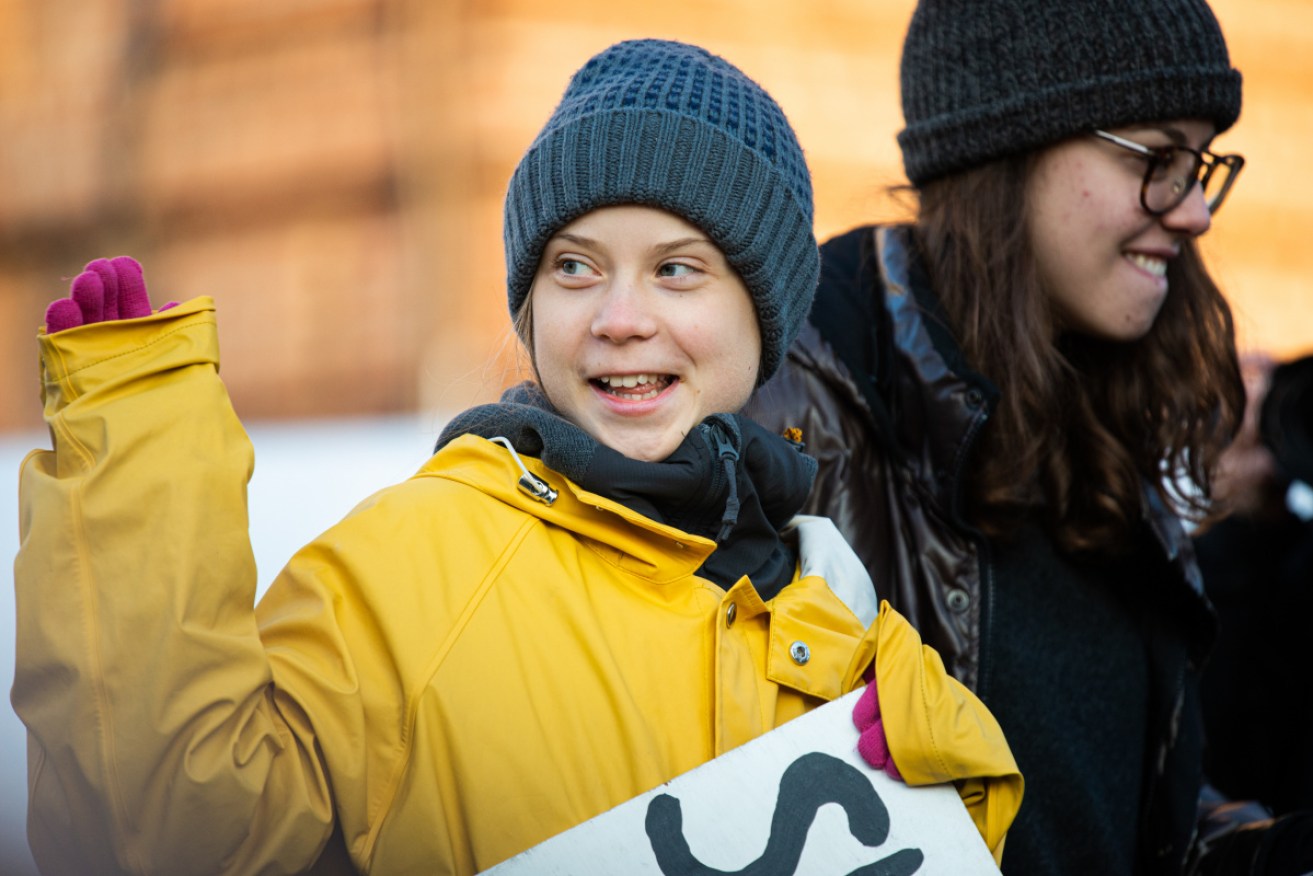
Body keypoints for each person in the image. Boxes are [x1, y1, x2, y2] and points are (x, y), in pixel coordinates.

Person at [13, 39, 1021, 875]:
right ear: (528, 306)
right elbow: (170, 841)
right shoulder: (411, 569)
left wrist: (948, 773)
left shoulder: (838, 613)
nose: (619, 320)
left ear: (765, 321)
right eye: (573, 266)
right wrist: (130, 474)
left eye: (677, 271)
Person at [743, 0, 1313, 873]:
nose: (1195, 211)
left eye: (1200, 166)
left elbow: (1112, 820)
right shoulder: (790, 401)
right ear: (1009, 145)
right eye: (1158, 160)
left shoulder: (1105, 426)